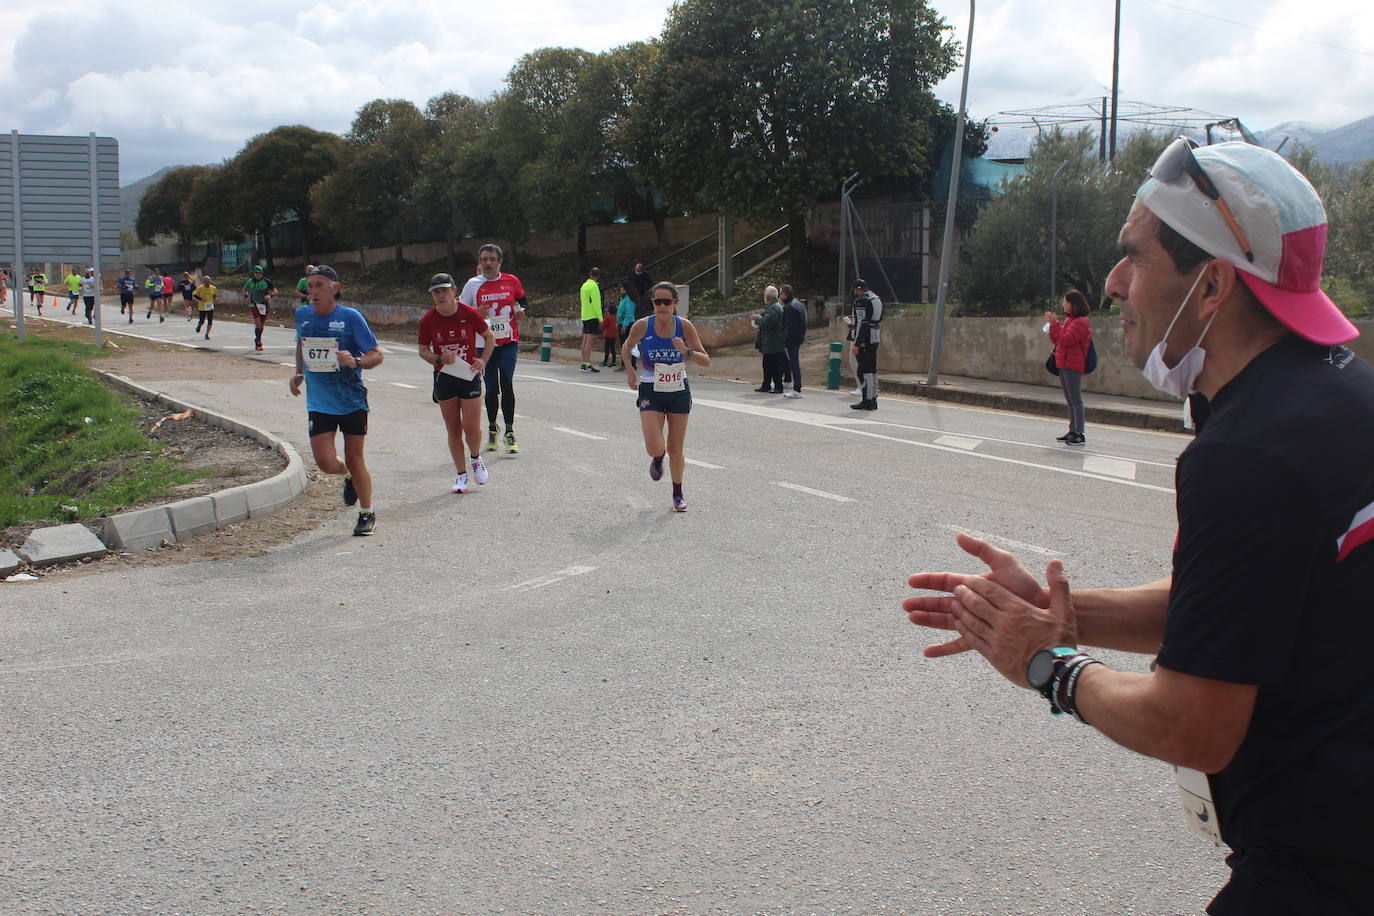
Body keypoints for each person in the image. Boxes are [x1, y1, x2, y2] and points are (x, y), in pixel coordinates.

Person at [903, 140, 1374, 915]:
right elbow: (1234, 606)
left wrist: (1048, 664)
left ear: (1212, 284)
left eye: (1135, 257)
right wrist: (1055, 612)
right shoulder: (1336, 390)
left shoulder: (1249, 455)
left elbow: (1194, 727)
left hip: (1326, 867)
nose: (1114, 282)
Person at [288, 265, 384, 537]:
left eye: (319, 285)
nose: (313, 291)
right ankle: (348, 475)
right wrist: (298, 373)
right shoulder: (303, 315)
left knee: (355, 458)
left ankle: (367, 512)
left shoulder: (350, 317)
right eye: (310, 286)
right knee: (326, 462)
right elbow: (302, 344)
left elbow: (377, 355)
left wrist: (356, 361)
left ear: (335, 287)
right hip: (319, 403)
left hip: (351, 399)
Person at [620, 282, 710, 512]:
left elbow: (705, 360)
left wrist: (686, 351)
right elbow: (627, 347)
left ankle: (678, 494)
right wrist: (630, 371)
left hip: (678, 390)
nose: (662, 306)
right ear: (653, 304)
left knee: (675, 447)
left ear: (674, 304)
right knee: (654, 445)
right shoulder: (643, 326)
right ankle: (658, 457)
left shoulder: (684, 326)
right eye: (657, 301)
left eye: (666, 302)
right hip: (651, 389)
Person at [419, 272, 495, 494]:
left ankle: (475, 458)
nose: (440, 295)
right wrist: (439, 358)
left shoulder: (469, 313)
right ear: (432, 295)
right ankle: (461, 475)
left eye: (444, 290)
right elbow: (423, 350)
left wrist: (483, 360)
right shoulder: (428, 319)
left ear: (454, 291)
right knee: (453, 429)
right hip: (444, 377)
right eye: (436, 292)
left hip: (469, 375)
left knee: (471, 427)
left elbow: (489, 336)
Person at [459, 243, 528, 455]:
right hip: (484, 345)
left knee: (507, 384)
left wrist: (522, 311)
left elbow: (522, 300)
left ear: (500, 262)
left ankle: (509, 431)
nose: (488, 263)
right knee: (491, 387)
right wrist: (476, 312)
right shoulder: (472, 284)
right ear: (480, 262)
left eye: (491, 259)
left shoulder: (511, 280)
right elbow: (460, 313)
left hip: (508, 341)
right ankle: (492, 427)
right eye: (484, 260)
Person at [1045, 289, 1093, 445]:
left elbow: (1066, 340)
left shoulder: (1081, 322)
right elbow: (1058, 341)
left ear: (1072, 304)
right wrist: (1052, 327)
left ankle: (1079, 433)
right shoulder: (1069, 321)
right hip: (1064, 363)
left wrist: (1054, 324)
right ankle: (1073, 430)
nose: (1063, 304)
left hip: (1073, 364)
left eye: (1065, 301)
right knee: (1070, 398)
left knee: (1075, 399)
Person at [850, 279, 882, 410]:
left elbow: (862, 323)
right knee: (872, 370)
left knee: (863, 371)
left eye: (854, 290)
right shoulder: (876, 299)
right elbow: (879, 318)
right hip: (875, 337)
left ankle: (867, 400)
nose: (854, 293)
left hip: (865, 339)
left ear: (858, 289)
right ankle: (873, 399)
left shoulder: (862, 301)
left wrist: (857, 344)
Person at [753, 285, 785, 393]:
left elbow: (767, 323)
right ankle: (766, 385)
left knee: (774, 367)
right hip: (771, 343)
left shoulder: (773, 308)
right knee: (767, 366)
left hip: (773, 343)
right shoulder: (774, 307)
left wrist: (757, 319)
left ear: (768, 297)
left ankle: (778, 386)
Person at [780, 283, 806, 398]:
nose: (780, 296)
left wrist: (785, 340)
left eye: (781, 294)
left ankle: (797, 389)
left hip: (792, 340)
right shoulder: (797, 303)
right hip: (798, 338)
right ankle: (795, 386)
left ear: (785, 294)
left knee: (794, 363)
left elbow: (790, 327)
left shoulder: (790, 307)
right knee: (794, 363)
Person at [243, 265, 276, 351]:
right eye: (256, 272)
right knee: (258, 323)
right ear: (254, 273)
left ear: (262, 273)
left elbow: (275, 290)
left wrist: (270, 296)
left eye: (259, 273)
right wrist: (246, 297)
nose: (258, 274)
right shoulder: (250, 282)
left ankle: (258, 338)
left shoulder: (266, 281)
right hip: (253, 304)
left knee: (261, 325)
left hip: (263, 305)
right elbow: (244, 289)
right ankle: (258, 342)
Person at [579, 267, 602, 372]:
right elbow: (596, 303)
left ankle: (584, 363)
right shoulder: (594, 287)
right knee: (589, 341)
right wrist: (600, 317)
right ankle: (587, 363)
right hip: (592, 316)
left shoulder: (584, 285)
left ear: (590, 274)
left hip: (585, 315)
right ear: (598, 275)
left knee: (585, 340)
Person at [601, 302, 619, 367]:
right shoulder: (616, 318)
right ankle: (614, 362)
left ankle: (605, 361)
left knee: (607, 349)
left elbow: (603, 326)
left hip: (608, 335)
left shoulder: (607, 318)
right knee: (613, 349)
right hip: (614, 335)